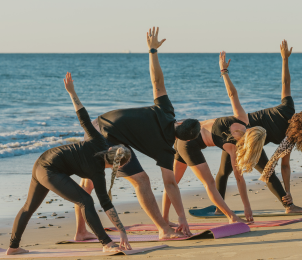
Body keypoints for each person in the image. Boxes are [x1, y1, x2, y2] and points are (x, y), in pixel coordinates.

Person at [74, 27, 200, 241]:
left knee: (89, 180)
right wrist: (181, 217)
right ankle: (163, 229)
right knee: (141, 180)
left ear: (179, 120)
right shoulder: (166, 148)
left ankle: (80, 232)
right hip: (109, 137)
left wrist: (152, 51)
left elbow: (157, 81)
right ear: (183, 140)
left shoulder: (166, 111)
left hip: (97, 124)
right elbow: (170, 184)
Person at [6, 73, 132, 256]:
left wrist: (72, 92)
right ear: (118, 166)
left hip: (41, 161)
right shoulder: (98, 173)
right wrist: (122, 231)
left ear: (112, 149)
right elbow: (105, 203)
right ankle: (106, 243)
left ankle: (13, 247)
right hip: (49, 169)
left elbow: (84, 119)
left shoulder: (99, 141)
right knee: (85, 200)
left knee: (29, 207)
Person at [215, 40, 302, 214]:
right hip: (247, 136)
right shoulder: (289, 135)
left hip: (234, 129)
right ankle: (289, 207)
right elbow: (286, 83)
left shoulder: (289, 115)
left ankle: (219, 209)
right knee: (262, 171)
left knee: (224, 171)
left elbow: (285, 84)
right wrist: (285, 60)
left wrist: (285, 60)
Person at [162, 51, 267, 223]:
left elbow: (232, 94)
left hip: (182, 135)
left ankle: (164, 219)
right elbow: (239, 179)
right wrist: (247, 206)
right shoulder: (233, 147)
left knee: (172, 182)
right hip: (189, 144)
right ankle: (231, 217)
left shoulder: (242, 119)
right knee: (209, 183)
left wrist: (224, 72)